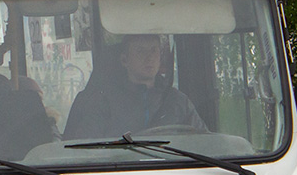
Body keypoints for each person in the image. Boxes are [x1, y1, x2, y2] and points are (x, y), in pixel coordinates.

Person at [63, 33, 207, 138]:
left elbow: (204, 143)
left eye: (154, 50)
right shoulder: (103, 102)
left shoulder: (178, 102)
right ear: (124, 60)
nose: (149, 57)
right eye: (140, 51)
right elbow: (87, 152)